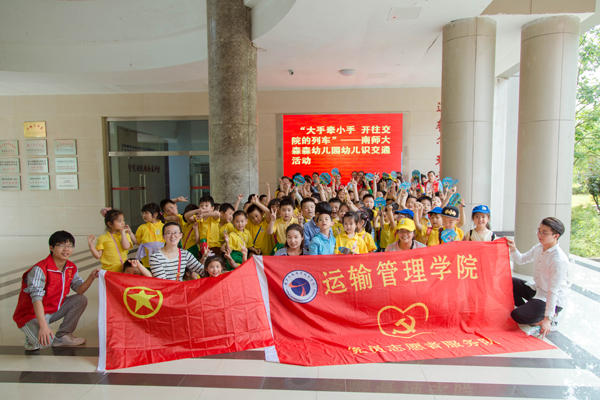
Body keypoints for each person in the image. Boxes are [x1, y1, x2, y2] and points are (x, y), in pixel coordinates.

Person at [13, 231, 99, 350]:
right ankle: (30, 336)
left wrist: (91, 277)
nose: (66, 249)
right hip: (31, 314)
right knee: (43, 343)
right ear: (51, 248)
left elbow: (80, 290)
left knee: (80, 299)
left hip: (53, 310)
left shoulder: (71, 267)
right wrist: (43, 326)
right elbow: (36, 299)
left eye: (70, 246)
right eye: (61, 245)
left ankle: (63, 336)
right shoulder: (40, 269)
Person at [507, 217, 569, 338]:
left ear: (556, 236)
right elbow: (521, 259)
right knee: (509, 282)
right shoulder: (539, 247)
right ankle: (529, 309)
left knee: (517, 315)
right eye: (539, 231)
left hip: (550, 299)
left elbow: (553, 291)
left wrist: (547, 319)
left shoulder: (558, 260)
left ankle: (552, 317)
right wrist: (513, 249)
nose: (539, 235)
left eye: (544, 233)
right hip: (537, 290)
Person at [131, 202, 165, 267]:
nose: (144, 215)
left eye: (146, 213)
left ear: (155, 214)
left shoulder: (163, 226)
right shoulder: (142, 227)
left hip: (160, 257)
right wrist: (130, 232)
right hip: (145, 259)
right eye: (143, 213)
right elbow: (137, 242)